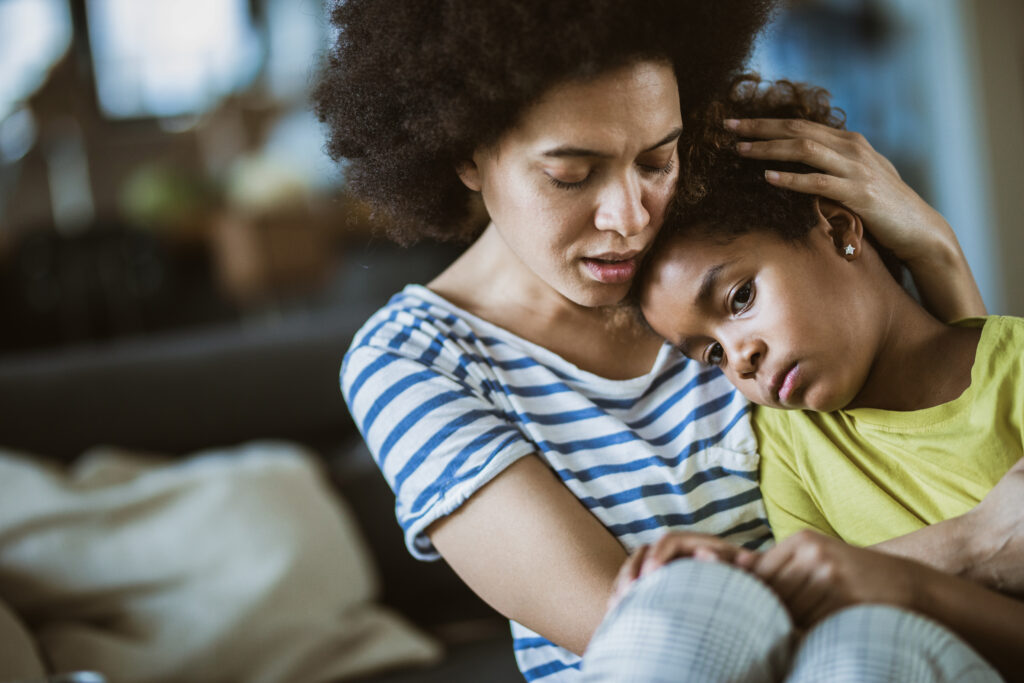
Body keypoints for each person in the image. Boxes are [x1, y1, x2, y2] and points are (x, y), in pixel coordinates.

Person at [316, 2, 1005, 680]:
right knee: (684, 600)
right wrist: (961, 548)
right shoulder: (412, 360)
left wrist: (934, 248)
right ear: (466, 154)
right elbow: (633, 626)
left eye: (656, 159)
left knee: (868, 650)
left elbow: (958, 457)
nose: (630, 217)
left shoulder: (717, 271)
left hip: (870, 655)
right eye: (571, 174)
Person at [630, 75, 1024, 680]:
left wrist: (894, 583)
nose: (739, 360)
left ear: (840, 229)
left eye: (740, 298)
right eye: (709, 355)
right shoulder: (788, 447)